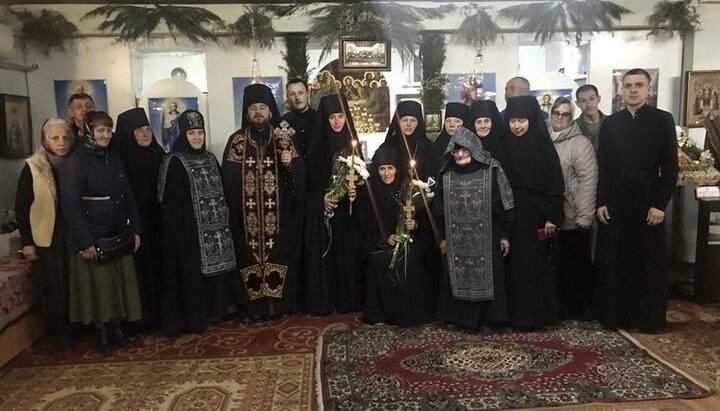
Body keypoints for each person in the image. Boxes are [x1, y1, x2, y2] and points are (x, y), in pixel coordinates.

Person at [595, 68, 678, 333]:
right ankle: (615, 316)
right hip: (616, 198)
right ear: (621, 90)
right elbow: (603, 165)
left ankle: (647, 319)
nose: (633, 90)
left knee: (648, 261)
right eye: (628, 85)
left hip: (647, 197)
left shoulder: (662, 120)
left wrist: (660, 204)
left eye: (638, 85)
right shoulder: (611, 123)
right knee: (615, 259)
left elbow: (670, 167)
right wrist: (601, 201)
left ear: (648, 89)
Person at [60, 111, 142, 354]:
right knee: (99, 289)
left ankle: (117, 329)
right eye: (100, 130)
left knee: (118, 286)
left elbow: (127, 194)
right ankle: (102, 334)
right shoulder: (75, 162)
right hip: (94, 237)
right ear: (88, 132)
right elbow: (71, 206)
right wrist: (85, 242)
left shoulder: (112, 158)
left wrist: (136, 230)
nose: (105, 135)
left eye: (108, 130)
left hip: (118, 234)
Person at [222, 84, 305, 320]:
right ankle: (254, 308)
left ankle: (280, 305)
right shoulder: (237, 141)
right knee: (248, 258)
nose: (258, 112)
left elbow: (300, 177)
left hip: (279, 217)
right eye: (253, 108)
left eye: (262, 107)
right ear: (247, 112)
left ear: (270, 111)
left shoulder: (283, 138)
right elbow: (228, 180)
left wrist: (290, 165)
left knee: (279, 254)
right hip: (247, 218)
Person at [158, 110, 236, 335]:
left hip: (216, 229)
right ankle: (197, 317)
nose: (197, 137)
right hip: (188, 230)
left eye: (200, 132)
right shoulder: (173, 161)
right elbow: (169, 204)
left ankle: (216, 311)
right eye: (192, 133)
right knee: (192, 273)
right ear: (183, 135)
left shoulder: (210, 158)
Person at [434, 127, 515, 332]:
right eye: (456, 151)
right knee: (456, 276)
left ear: (474, 149)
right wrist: (443, 237)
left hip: (488, 236)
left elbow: (503, 203)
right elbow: (439, 210)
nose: (460, 154)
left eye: (464, 150)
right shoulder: (446, 175)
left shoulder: (491, 169)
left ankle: (489, 320)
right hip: (456, 239)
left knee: (490, 276)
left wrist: (505, 234)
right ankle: (459, 318)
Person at [502, 96, 565, 330]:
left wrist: (552, 217)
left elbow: (555, 185)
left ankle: (535, 317)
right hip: (509, 213)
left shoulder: (543, 146)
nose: (516, 126)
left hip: (536, 215)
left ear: (531, 120)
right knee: (511, 266)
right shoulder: (503, 144)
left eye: (522, 121)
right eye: (512, 121)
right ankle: (512, 317)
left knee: (533, 267)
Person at [15, 118, 75, 350]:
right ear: (45, 140)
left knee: (72, 282)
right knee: (54, 285)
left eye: (65, 137)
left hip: (72, 233)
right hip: (47, 235)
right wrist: (27, 243)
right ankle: (59, 332)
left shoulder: (75, 163)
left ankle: (75, 327)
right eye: (55, 138)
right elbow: (22, 208)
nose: (61, 143)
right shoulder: (33, 167)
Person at [302, 94, 364, 314]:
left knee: (348, 254)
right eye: (332, 117)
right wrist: (321, 199)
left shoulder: (352, 146)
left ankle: (349, 300)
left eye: (340, 116)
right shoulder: (315, 149)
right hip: (324, 215)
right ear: (325, 119)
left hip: (348, 215)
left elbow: (363, 180)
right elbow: (306, 188)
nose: (337, 121)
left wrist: (357, 191)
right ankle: (327, 301)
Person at [362, 147, 434, 327]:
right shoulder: (371, 193)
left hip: (408, 241)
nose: (386, 173)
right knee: (378, 261)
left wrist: (414, 225)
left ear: (397, 169)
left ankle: (409, 313)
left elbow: (425, 223)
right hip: (381, 244)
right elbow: (366, 227)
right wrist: (385, 237)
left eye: (390, 168)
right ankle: (382, 314)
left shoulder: (409, 190)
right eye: (382, 168)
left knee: (410, 260)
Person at [113, 108, 165, 329]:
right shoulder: (119, 161)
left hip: (158, 223)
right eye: (139, 130)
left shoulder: (159, 155)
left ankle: (160, 316)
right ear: (128, 134)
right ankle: (139, 321)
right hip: (132, 226)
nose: (145, 134)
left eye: (147, 129)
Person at [548, 97, 598, 320]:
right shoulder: (544, 138)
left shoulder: (580, 144)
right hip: (551, 216)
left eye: (565, 114)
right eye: (556, 113)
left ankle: (575, 311)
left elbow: (588, 180)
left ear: (571, 117)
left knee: (574, 267)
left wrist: (584, 217)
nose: (560, 117)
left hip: (573, 215)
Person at [380, 100, 436, 182]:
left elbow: (435, 174)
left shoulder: (428, 146)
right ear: (398, 122)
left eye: (413, 120)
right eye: (405, 120)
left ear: (418, 123)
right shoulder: (388, 145)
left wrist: (427, 185)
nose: (409, 124)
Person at [281, 78, 316, 159]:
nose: (297, 98)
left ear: (308, 94)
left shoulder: (320, 119)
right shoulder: (282, 122)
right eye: (292, 94)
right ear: (287, 97)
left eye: (300, 93)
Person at [432, 102, 469, 174]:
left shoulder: (472, 147)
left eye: (457, 121)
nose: (451, 125)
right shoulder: (438, 145)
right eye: (448, 121)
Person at [468, 99, 507, 166]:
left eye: (486, 121)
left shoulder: (505, 147)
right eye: (479, 122)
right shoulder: (465, 150)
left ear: (493, 122)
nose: (483, 126)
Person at [574, 84, 607, 152]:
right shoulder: (573, 128)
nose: (588, 104)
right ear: (577, 104)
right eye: (583, 101)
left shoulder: (612, 123)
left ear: (598, 99)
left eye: (592, 99)